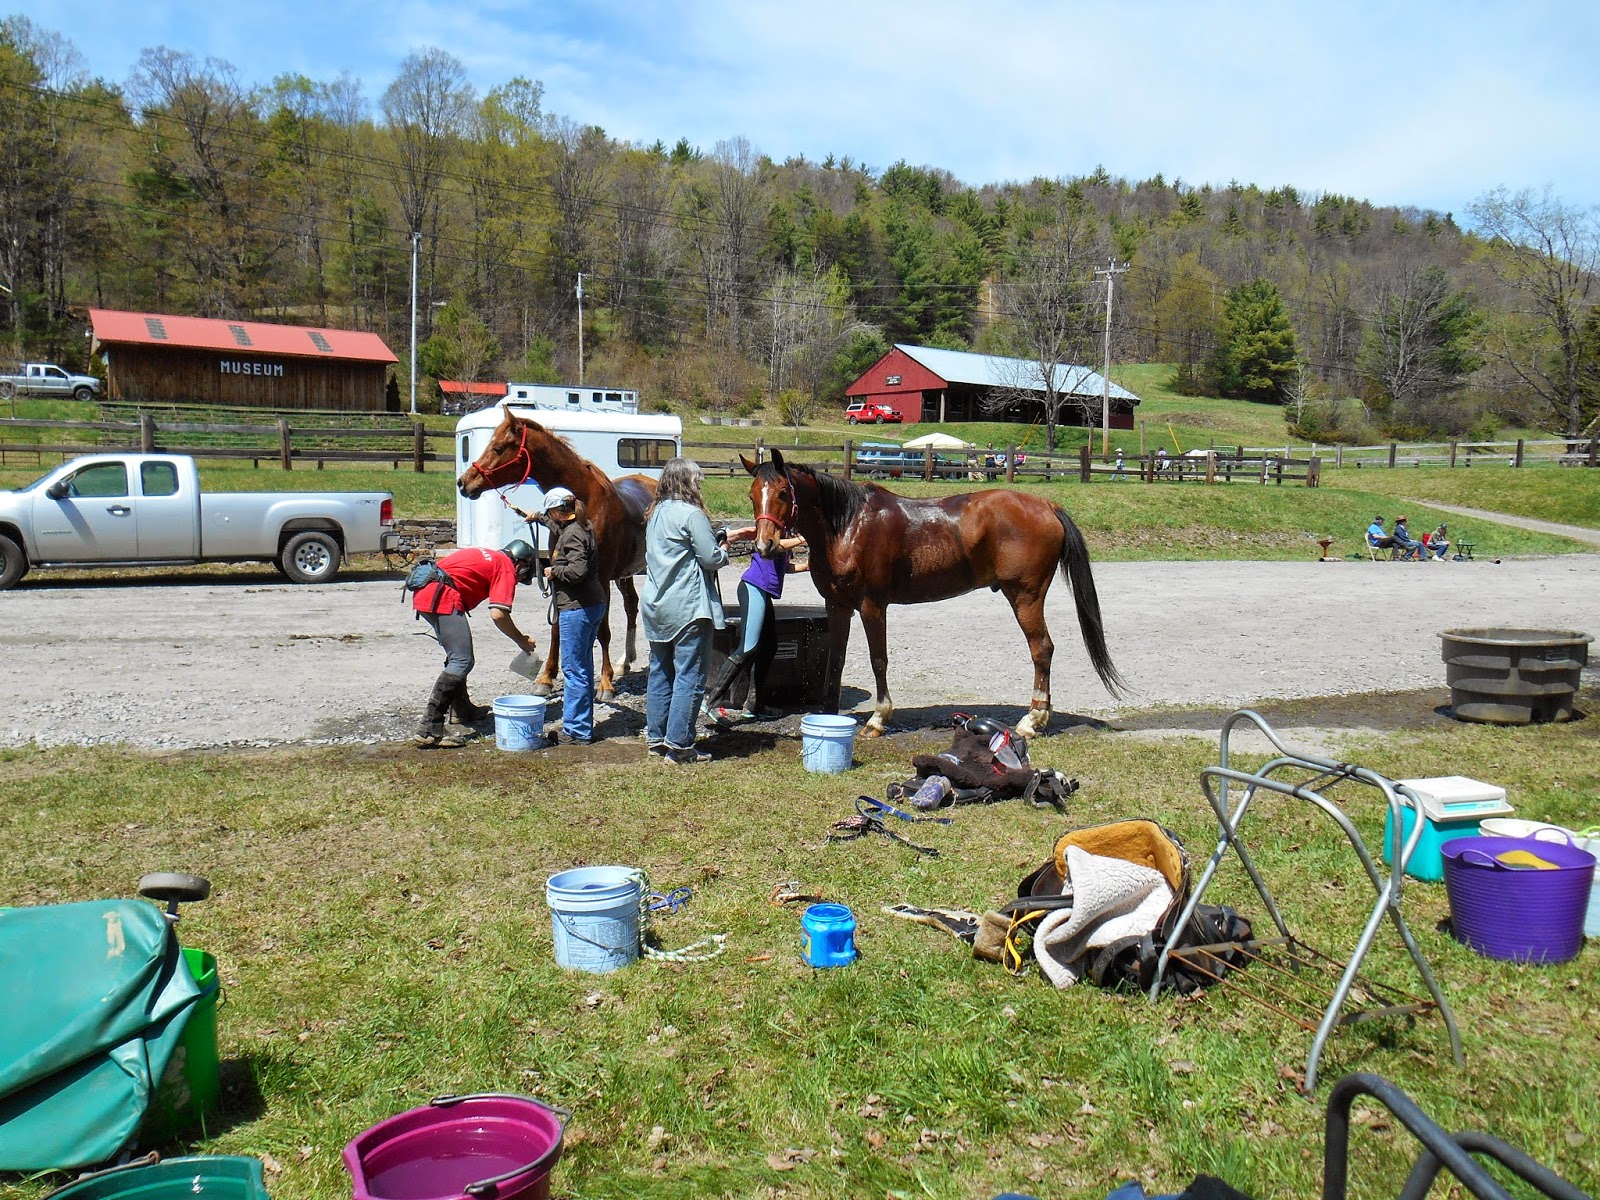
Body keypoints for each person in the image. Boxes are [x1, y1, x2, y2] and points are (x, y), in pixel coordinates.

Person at [641, 457, 728, 764]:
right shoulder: (692, 514)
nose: (700, 485)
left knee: (660, 672)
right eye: (697, 481)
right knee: (689, 676)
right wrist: (724, 549)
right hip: (687, 606)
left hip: (656, 605)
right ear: (688, 482)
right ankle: (679, 746)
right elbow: (710, 558)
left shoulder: (655, 512)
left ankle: (657, 738)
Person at [411, 540, 539, 749]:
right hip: (442, 595)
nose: (517, 582)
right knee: (462, 660)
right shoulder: (506, 567)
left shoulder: (490, 555)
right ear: (521, 564)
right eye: (522, 577)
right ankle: (429, 727)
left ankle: (462, 710)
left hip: (427, 590)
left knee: (457, 655)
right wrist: (521, 640)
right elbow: (498, 614)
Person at [704, 526, 809, 726]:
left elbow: (785, 566)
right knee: (748, 647)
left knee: (769, 647)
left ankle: (754, 704)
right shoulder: (770, 533)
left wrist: (807, 566)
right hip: (753, 587)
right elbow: (775, 547)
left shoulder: (786, 535)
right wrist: (803, 538)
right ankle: (713, 701)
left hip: (763, 593)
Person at [542, 486, 606, 745]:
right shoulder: (583, 525)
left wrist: (554, 572)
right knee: (583, 667)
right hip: (592, 605)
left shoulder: (573, 534)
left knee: (574, 670)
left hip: (576, 609)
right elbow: (561, 531)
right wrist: (538, 518)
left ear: (557, 512)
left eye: (549, 513)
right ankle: (580, 725)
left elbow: (577, 571)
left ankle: (576, 731)